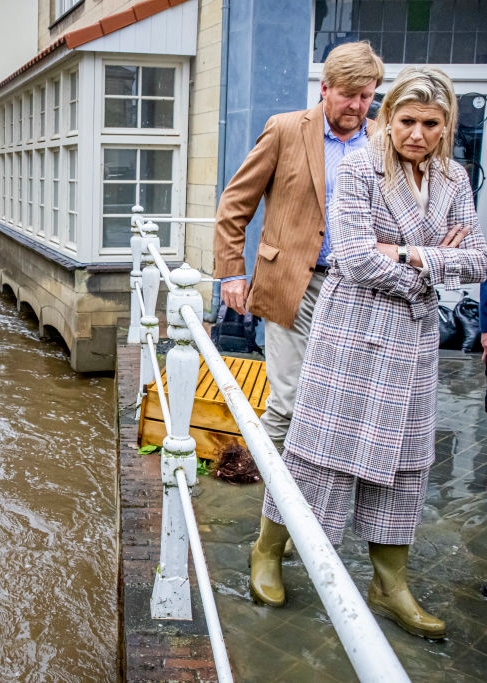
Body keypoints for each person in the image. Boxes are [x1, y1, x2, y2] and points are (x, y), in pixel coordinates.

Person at [255, 66, 487, 639]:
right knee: (317, 446)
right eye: (407, 120)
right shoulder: (360, 166)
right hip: (351, 328)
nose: (417, 133)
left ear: (445, 124)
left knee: (404, 460)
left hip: (412, 337)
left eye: (431, 124)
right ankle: (268, 549)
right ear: (389, 118)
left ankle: (390, 584)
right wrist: (433, 257)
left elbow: (479, 260)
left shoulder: (456, 178)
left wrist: (407, 254)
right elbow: (356, 257)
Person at [213, 42, 383, 457]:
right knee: (288, 399)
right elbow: (236, 203)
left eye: (367, 96)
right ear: (325, 88)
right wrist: (232, 272)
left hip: (358, 289)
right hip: (291, 282)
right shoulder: (285, 129)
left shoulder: (385, 140)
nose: (358, 106)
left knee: (340, 400)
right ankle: (263, 488)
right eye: (349, 94)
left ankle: (313, 484)